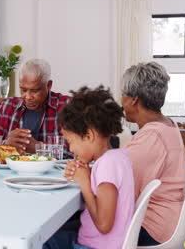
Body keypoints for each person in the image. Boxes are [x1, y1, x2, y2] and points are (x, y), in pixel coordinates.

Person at [44, 86, 134, 249]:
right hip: (97, 242)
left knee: (42, 241)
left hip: (95, 246)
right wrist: (87, 173)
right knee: (52, 237)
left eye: (71, 142)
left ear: (89, 136)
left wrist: (85, 183)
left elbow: (104, 225)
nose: (70, 149)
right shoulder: (117, 157)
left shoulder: (107, 165)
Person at [121, 62, 185, 246]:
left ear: (134, 99)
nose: (121, 102)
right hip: (165, 222)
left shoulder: (152, 137)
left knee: (60, 234)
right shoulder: (167, 125)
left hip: (150, 227)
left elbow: (118, 187)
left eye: (123, 95)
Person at [0, 58, 71, 156]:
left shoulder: (66, 106)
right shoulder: (7, 106)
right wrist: (5, 145)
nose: (28, 97)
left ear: (49, 85)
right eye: (23, 90)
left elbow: (79, 152)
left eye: (35, 91)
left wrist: (39, 148)